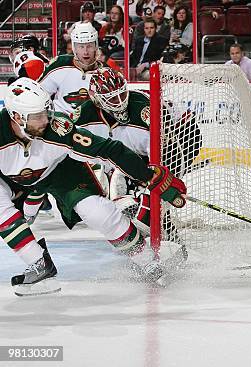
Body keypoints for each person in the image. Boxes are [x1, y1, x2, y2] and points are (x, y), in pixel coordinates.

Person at [0, 78, 187, 296]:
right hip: (11, 179)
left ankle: (148, 261)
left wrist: (148, 177)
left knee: (97, 213)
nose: (45, 120)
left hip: (60, 172)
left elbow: (108, 149)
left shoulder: (58, 128)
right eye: (37, 116)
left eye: (46, 112)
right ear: (16, 117)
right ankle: (38, 263)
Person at [40, 22, 106, 115]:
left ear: (96, 46)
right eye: (81, 47)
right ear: (74, 48)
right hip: (61, 122)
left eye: (89, 46)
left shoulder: (106, 72)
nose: (85, 52)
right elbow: (40, 94)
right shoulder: (60, 64)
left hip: (90, 125)